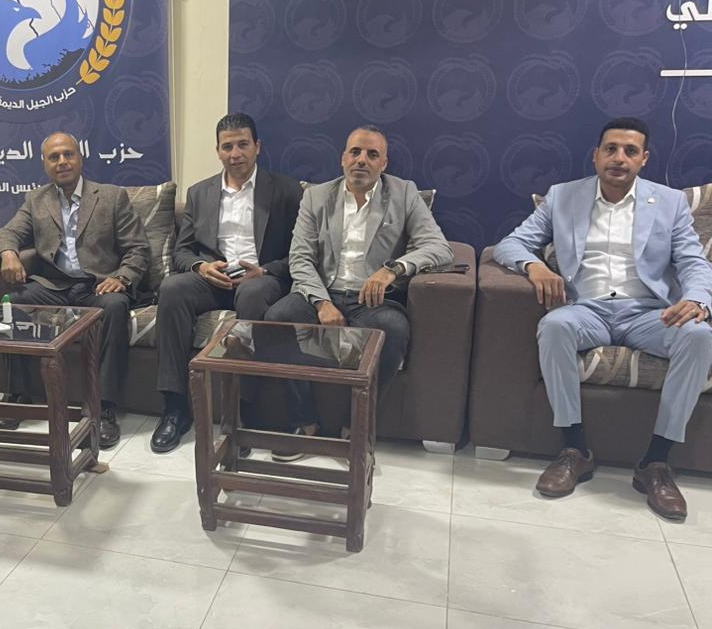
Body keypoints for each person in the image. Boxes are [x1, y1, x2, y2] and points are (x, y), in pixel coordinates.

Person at [493, 117, 712, 521]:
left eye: (630, 151)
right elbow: (511, 244)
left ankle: (656, 462)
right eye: (611, 149)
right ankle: (575, 450)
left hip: (650, 312)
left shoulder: (669, 203)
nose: (619, 158)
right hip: (587, 308)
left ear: (644, 159)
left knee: (699, 336)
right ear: (596, 155)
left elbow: (693, 262)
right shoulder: (563, 196)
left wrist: (698, 299)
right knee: (555, 326)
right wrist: (534, 266)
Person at [264, 125, 452, 447]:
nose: (361, 160)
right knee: (277, 319)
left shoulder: (404, 193)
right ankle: (302, 419)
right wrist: (322, 303)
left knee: (393, 329)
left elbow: (439, 247)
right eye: (355, 152)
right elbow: (300, 258)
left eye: (372, 154)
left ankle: (358, 423)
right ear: (343, 158)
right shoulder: (316, 196)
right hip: (322, 292)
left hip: (372, 301)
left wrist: (392, 269)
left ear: (383, 163)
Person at [150, 112, 303, 453]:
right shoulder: (200, 192)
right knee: (172, 289)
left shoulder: (287, 190)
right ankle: (175, 408)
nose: (236, 154)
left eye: (243, 145)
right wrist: (202, 267)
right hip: (214, 279)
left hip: (260, 279)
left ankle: (242, 412)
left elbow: (301, 252)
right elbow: (182, 251)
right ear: (218, 151)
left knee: (251, 294)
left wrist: (266, 271)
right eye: (227, 147)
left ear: (257, 147)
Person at [0, 131, 151, 448]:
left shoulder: (111, 197)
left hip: (98, 285)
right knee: (12, 304)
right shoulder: (36, 200)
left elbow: (138, 249)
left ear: (80, 158)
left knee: (115, 307)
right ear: (45, 164)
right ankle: (18, 394)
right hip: (55, 286)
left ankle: (104, 408)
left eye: (68, 154)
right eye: (54, 157)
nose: (62, 161)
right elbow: (7, 233)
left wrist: (122, 277)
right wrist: (8, 253)